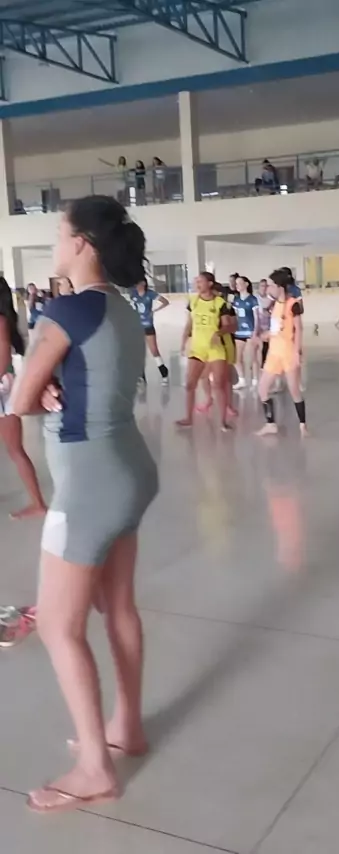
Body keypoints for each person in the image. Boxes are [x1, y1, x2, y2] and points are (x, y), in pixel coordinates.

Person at [11, 195, 159, 813]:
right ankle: (127, 727)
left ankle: (96, 767)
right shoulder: (119, 305)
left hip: (89, 482)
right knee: (117, 606)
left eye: (58, 233)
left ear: (81, 244)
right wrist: (52, 385)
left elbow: (18, 398)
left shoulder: (66, 309)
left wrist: (40, 387)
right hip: (129, 469)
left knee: (56, 625)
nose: (54, 243)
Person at [0, 277, 46, 520]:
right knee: (14, 449)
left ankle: (38, 503)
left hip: (3, 391)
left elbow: (3, 359)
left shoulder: (1, 321)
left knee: (15, 449)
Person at [177, 272, 236, 430]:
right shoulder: (193, 301)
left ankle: (223, 421)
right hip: (197, 348)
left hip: (215, 349)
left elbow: (229, 326)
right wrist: (183, 341)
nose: (197, 284)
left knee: (218, 385)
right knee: (190, 384)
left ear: (209, 284)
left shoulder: (220, 303)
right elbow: (189, 324)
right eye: (196, 281)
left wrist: (219, 333)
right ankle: (188, 418)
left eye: (200, 281)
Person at [257, 268, 307, 438]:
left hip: (288, 352)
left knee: (294, 390)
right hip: (274, 353)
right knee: (263, 389)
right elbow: (276, 328)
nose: (268, 288)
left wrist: (297, 352)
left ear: (279, 287)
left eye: (271, 285)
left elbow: (298, 329)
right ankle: (270, 424)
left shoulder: (293, 304)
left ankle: (302, 425)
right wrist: (266, 335)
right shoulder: (274, 305)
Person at [130, 279, 169, 384]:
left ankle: (164, 372)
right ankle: (141, 375)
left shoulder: (150, 294)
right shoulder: (133, 293)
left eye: (138, 283)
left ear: (143, 283)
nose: (136, 285)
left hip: (148, 325)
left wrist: (154, 311)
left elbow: (165, 302)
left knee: (154, 350)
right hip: (137, 326)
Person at [232, 276, 259, 389]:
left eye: (239, 283)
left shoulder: (252, 299)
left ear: (246, 284)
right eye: (236, 284)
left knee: (253, 357)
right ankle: (242, 380)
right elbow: (235, 316)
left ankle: (255, 380)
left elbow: (257, 317)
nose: (237, 285)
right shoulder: (236, 300)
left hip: (250, 331)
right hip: (239, 332)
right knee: (236, 358)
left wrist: (255, 331)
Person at [255, 278, 273, 371]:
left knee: (267, 347)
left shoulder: (271, 299)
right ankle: (259, 366)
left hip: (269, 326)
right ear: (259, 287)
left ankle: (265, 364)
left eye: (266, 286)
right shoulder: (255, 299)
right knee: (258, 348)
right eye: (262, 286)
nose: (264, 288)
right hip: (258, 326)